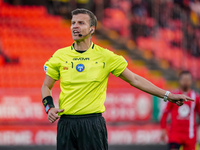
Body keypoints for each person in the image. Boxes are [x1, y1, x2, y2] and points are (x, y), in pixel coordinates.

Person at [41, 8, 193, 150]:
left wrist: (168, 95)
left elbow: (135, 79)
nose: (75, 26)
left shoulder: (105, 56)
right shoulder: (60, 56)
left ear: (92, 29)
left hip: (93, 124)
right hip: (66, 124)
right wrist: (49, 108)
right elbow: (46, 87)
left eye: (81, 23)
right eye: (73, 23)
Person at [160, 71, 200, 150]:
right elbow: (165, 113)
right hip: (175, 134)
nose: (186, 82)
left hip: (190, 134)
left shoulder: (195, 97)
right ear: (179, 81)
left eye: (188, 79)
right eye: (184, 79)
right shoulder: (173, 96)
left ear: (191, 81)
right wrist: (163, 128)